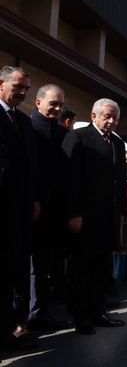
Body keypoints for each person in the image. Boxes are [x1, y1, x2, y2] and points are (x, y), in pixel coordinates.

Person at [62, 98, 127, 335]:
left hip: (108, 217)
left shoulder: (118, 144)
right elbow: (71, 180)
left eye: (115, 118)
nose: (111, 121)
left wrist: (122, 214)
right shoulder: (78, 138)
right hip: (85, 216)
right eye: (107, 116)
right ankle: (81, 315)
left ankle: (98, 311)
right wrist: (74, 213)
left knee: (102, 267)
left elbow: (119, 182)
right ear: (94, 116)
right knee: (82, 268)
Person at [27, 84, 72, 332]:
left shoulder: (64, 133)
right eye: (53, 103)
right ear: (38, 103)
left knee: (47, 266)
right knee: (31, 267)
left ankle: (42, 312)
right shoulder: (27, 127)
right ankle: (30, 315)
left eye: (60, 105)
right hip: (31, 209)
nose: (57, 108)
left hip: (55, 212)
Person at [0, 66, 39, 350]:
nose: (23, 92)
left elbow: (31, 167)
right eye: (18, 87)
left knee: (19, 272)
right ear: (0, 84)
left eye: (26, 88)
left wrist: (34, 199)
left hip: (21, 212)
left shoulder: (24, 122)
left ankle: (17, 326)